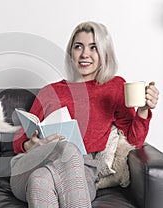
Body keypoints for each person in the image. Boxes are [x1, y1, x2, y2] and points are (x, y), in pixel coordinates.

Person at [10, 21, 160, 208]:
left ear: (104, 53)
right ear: (70, 52)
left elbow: (134, 140)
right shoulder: (50, 91)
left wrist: (144, 110)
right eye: (78, 46)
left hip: (82, 171)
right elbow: (19, 141)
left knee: (40, 181)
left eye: (93, 47)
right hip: (32, 163)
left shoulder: (114, 88)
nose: (84, 54)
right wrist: (30, 144)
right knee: (65, 148)